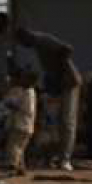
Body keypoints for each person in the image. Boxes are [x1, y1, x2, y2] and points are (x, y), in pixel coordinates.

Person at [16, 28, 81, 171]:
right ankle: (54, 157)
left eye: (22, 42)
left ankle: (65, 159)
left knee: (67, 122)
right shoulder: (37, 45)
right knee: (52, 123)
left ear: (26, 37)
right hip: (56, 84)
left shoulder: (42, 40)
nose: (24, 46)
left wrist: (62, 70)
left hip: (69, 82)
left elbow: (67, 49)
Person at [4, 66, 38, 176]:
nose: (21, 80)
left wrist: (13, 105)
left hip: (22, 124)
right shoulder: (25, 91)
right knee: (20, 148)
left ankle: (12, 166)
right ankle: (21, 168)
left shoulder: (29, 92)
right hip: (23, 125)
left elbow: (27, 109)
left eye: (24, 78)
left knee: (13, 147)